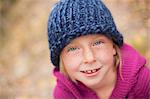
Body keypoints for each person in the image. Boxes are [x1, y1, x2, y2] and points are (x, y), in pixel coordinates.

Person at [47, 0, 150, 98]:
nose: (90, 58)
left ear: (113, 46)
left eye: (97, 43)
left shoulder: (143, 82)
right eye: (73, 49)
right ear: (61, 59)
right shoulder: (63, 94)